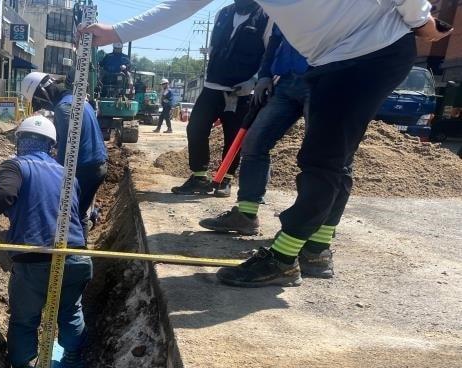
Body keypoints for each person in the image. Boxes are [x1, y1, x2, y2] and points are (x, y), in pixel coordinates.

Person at [81, 0, 448, 287]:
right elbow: (182, 5)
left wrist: (421, 21)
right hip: (326, 59)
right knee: (332, 156)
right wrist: (116, 32)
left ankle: (284, 260)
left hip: (373, 51)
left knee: (324, 159)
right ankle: (317, 250)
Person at [0, 115, 93, 368]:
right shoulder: (66, 172)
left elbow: (4, 195)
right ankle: (73, 365)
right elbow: (79, 215)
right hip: (76, 256)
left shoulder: (15, 166)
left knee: (25, 319)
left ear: (19, 140)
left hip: (34, 261)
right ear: (52, 146)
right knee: (70, 310)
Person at [198, 26, 333, 277]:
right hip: (286, 80)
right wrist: (265, 74)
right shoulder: (285, 8)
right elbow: (275, 40)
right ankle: (246, 215)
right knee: (254, 143)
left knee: (324, 157)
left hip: (324, 79)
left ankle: (317, 246)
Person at [169, 0, 272, 198]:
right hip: (212, 86)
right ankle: (200, 176)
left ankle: (226, 180)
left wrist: (255, 80)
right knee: (196, 128)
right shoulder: (223, 14)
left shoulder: (266, 17)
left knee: (233, 137)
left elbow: (269, 54)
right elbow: (215, 47)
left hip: (242, 91)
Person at [21, 71, 108, 239]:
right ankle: (76, 252)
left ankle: (71, 255)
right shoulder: (77, 100)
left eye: (40, 103)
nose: (44, 108)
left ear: (43, 93)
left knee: (68, 215)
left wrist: (52, 175)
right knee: (78, 213)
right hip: (96, 165)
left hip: (84, 169)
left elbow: (69, 151)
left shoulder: (64, 108)